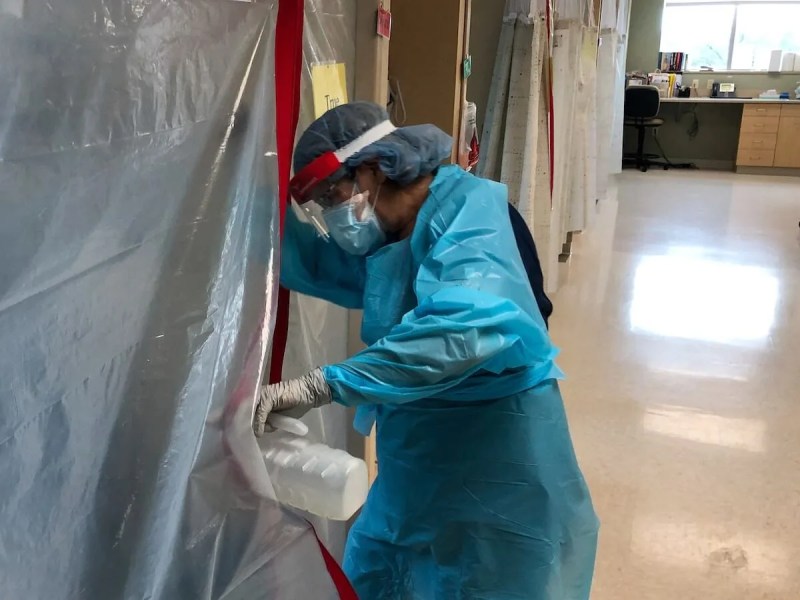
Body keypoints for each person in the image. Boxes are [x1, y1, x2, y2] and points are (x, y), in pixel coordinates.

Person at [254, 102, 598, 599]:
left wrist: (324, 383)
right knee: (382, 571)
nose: (333, 213)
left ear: (372, 170)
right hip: (417, 456)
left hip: (498, 455)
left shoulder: (472, 210)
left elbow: (464, 330)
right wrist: (241, 199)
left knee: (496, 579)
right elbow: (317, 262)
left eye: (334, 194)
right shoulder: (391, 239)